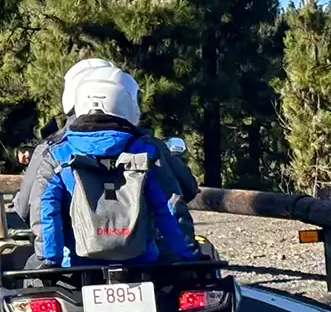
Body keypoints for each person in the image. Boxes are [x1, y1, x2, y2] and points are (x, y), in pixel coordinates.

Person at [13, 58, 198, 239]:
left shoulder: (53, 150)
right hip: (142, 249)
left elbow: (26, 210)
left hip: (72, 252)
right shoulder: (146, 146)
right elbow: (184, 191)